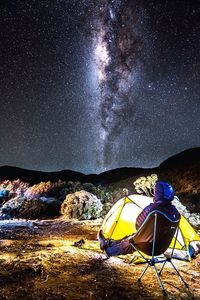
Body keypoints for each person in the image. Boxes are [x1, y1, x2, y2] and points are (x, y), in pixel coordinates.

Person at [98, 181, 181, 257]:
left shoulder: (153, 209)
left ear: (158, 194)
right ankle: (107, 242)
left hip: (148, 247)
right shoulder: (175, 212)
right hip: (162, 248)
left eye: (155, 192)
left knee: (130, 242)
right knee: (132, 237)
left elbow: (138, 224)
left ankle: (108, 250)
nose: (153, 194)